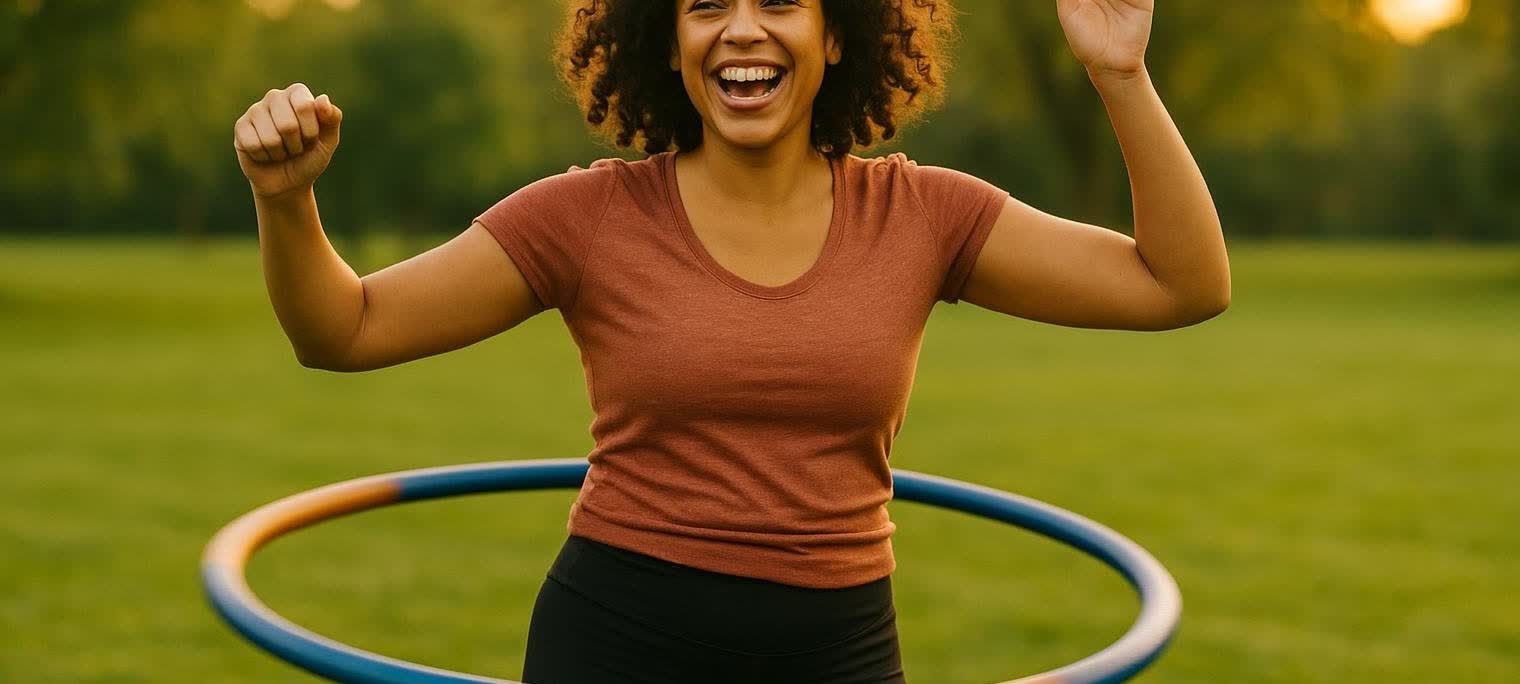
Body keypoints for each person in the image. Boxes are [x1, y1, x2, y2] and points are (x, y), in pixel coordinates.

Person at [232, 0, 1228, 681]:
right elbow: (345, 329)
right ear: (666, 42)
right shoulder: (584, 217)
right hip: (615, 641)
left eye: (780, 1)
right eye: (705, 2)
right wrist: (287, 202)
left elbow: (1177, 283)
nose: (741, 29)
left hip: (837, 649)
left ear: (835, 35)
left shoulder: (924, 216)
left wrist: (1119, 73)